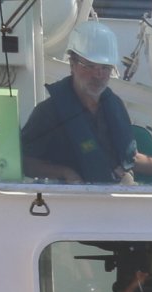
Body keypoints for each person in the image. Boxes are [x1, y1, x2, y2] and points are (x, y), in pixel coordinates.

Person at [20, 21, 140, 185]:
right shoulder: (48, 112)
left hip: (112, 198)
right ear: (72, 64)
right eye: (89, 66)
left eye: (105, 68)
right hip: (66, 200)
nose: (97, 75)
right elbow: (25, 162)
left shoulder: (115, 106)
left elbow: (131, 157)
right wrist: (64, 172)